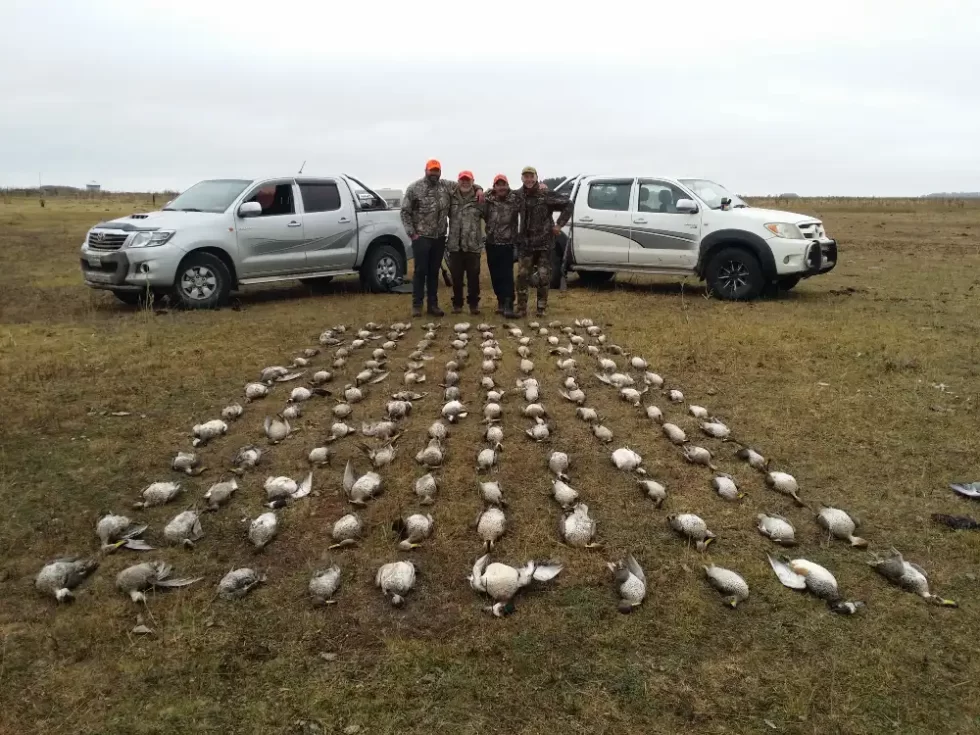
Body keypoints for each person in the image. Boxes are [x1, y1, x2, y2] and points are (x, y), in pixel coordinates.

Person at [401, 160, 482, 317]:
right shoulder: (414, 188)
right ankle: (417, 305)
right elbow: (405, 211)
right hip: (421, 237)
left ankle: (433, 305)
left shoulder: (446, 186)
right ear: (426, 171)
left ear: (440, 172)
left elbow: (467, 184)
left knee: (434, 272)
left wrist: (479, 189)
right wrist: (412, 233)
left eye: (436, 171)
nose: (434, 173)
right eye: (431, 170)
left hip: (439, 238)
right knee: (420, 271)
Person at [513, 166, 573, 317]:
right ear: (522, 178)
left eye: (531, 176)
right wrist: (479, 189)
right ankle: (521, 308)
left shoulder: (546, 194)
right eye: (526, 176)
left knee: (543, 276)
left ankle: (541, 308)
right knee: (522, 276)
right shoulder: (518, 195)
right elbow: (498, 193)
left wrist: (559, 225)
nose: (529, 179)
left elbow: (568, 204)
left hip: (544, 244)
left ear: (536, 177)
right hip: (526, 244)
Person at [446, 171, 485, 315]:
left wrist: (479, 189)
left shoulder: (479, 198)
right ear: (458, 181)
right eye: (462, 180)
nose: (465, 182)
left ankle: (474, 304)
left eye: (468, 180)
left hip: (472, 245)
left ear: (473, 181)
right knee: (456, 277)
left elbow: (487, 215)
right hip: (455, 244)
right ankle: (457, 304)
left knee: (473, 277)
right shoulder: (450, 196)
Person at [483, 173, 519, 315]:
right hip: (491, 244)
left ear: (508, 185)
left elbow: (528, 194)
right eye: (498, 185)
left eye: (504, 184)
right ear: (494, 187)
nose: (501, 187)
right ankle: (500, 301)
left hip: (507, 244)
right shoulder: (487, 200)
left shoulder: (515, 199)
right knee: (495, 275)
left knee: (507, 275)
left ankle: (509, 304)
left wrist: (542, 188)